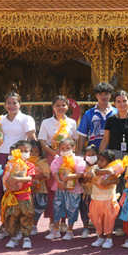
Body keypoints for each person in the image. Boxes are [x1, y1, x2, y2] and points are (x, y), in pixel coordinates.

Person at [38, 95, 78, 228]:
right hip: (52, 157)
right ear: (53, 107)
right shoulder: (46, 123)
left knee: (66, 187)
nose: (61, 108)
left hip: (67, 159)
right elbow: (42, 141)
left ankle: (63, 222)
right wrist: (53, 152)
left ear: (67, 107)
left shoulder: (72, 122)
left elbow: (74, 141)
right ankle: (52, 220)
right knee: (52, 189)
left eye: (63, 105)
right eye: (58, 105)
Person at [0, 92, 37, 203]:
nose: (11, 106)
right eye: (8, 103)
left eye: (14, 103)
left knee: (18, 184)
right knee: (2, 185)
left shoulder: (26, 119)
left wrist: (34, 156)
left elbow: (32, 138)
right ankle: (4, 215)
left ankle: (18, 214)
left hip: (20, 157)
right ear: (4, 105)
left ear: (20, 104)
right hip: (1, 154)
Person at [49, 138, 86, 241]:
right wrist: (58, 182)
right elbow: (55, 171)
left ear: (73, 148)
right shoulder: (58, 160)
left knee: (72, 208)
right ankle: (55, 230)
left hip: (73, 189)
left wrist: (69, 177)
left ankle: (70, 231)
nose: (65, 150)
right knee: (57, 207)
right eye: (62, 148)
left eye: (67, 148)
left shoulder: (77, 160)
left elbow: (80, 173)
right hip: (60, 187)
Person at [2, 141, 36, 249]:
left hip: (25, 195)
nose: (23, 153)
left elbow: (29, 178)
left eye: (26, 151)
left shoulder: (30, 165)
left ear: (30, 153)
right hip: (12, 196)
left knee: (27, 215)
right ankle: (13, 237)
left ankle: (26, 238)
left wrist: (17, 179)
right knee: (12, 216)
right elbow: (6, 178)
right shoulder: (10, 164)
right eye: (20, 151)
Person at [88, 149, 121, 249]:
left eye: (102, 160)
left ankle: (109, 239)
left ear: (110, 162)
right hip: (96, 199)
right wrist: (107, 171)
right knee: (97, 219)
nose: (99, 162)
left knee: (109, 220)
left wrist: (108, 182)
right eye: (99, 160)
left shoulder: (115, 169)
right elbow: (96, 172)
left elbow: (117, 180)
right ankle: (100, 237)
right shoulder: (95, 168)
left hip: (108, 199)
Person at [100, 90, 128, 159]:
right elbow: (105, 140)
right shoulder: (110, 119)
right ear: (114, 103)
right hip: (114, 156)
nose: (122, 104)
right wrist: (100, 157)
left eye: (124, 101)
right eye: (118, 101)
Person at [77, 82, 115, 150]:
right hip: (93, 152)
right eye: (101, 94)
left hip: (113, 151)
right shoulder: (88, 114)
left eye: (106, 94)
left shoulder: (117, 112)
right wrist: (79, 153)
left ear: (110, 95)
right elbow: (82, 135)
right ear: (96, 95)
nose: (103, 97)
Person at [28, 140, 51, 235]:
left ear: (40, 152)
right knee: (28, 207)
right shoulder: (25, 162)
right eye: (31, 151)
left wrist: (34, 176)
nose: (33, 153)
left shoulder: (42, 162)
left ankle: (34, 225)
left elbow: (46, 174)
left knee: (39, 206)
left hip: (40, 189)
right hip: (27, 189)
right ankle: (27, 225)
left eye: (36, 151)